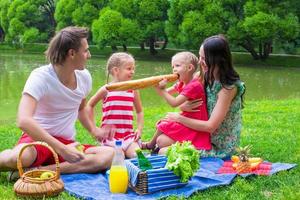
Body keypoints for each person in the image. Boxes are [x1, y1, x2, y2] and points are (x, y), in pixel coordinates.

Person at [0, 26, 116, 180]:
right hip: (38, 141)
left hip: (67, 144)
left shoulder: (85, 77)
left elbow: (81, 109)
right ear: (72, 53)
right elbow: (23, 120)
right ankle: (24, 166)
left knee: (108, 155)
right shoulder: (40, 77)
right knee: (21, 158)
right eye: (86, 50)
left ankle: (36, 171)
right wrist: (61, 149)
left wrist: (94, 130)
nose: (89, 55)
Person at [165, 35, 245, 158]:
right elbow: (185, 95)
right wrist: (182, 106)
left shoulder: (228, 88)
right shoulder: (202, 76)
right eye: (199, 56)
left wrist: (178, 118)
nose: (199, 61)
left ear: (218, 59)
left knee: (163, 151)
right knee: (162, 140)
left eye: (204, 58)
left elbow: (210, 126)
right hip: (200, 135)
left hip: (218, 145)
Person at [142, 51, 210, 153]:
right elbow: (167, 93)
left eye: (177, 66)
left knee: (164, 126)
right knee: (163, 130)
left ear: (189, 68)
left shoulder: (194, 85)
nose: (174, 69)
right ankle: (154, 145)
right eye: (173, 66)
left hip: (194, 124)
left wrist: (162, 90)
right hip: (186, 118)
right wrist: (158, 86)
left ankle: (150, 144)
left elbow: (174, 103)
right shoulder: (182, 83)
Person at [87, 52, 144, 158]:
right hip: (111, 138)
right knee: (119, 158)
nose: (132, 72)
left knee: (139, 157)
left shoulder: (133, 90)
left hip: (128, 138)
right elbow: (89, 105)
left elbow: (139, 111)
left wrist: (139, 129)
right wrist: (94, 128)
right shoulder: (106, 89)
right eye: (129, 68)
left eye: (133, 68)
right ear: (116, 70)